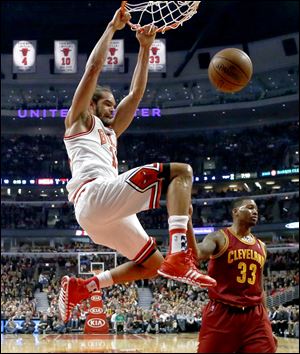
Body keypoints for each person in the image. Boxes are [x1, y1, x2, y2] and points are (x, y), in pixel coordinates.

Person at [58, 6, 216, 323]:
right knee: (180, 173)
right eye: (107, 104)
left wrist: (145, 48)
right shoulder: (78, 121)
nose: (113, 109)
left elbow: (136, 93)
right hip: (94, 195)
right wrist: (112, 28)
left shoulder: (111, 132)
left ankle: (84, 286)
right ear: (91, 104)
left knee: (152, 266)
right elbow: (93, 69)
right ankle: (182, 255)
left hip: (104, 214)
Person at [187, 198, 278, 353]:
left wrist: (267, 324)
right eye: (249, 208)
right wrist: (187, 221)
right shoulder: (219, 237)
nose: (255, 212)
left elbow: (259, 287)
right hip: (223, 313)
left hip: (255, 315)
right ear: (235, 212)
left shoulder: (262, 246)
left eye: (256, 209)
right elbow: (197, 253)